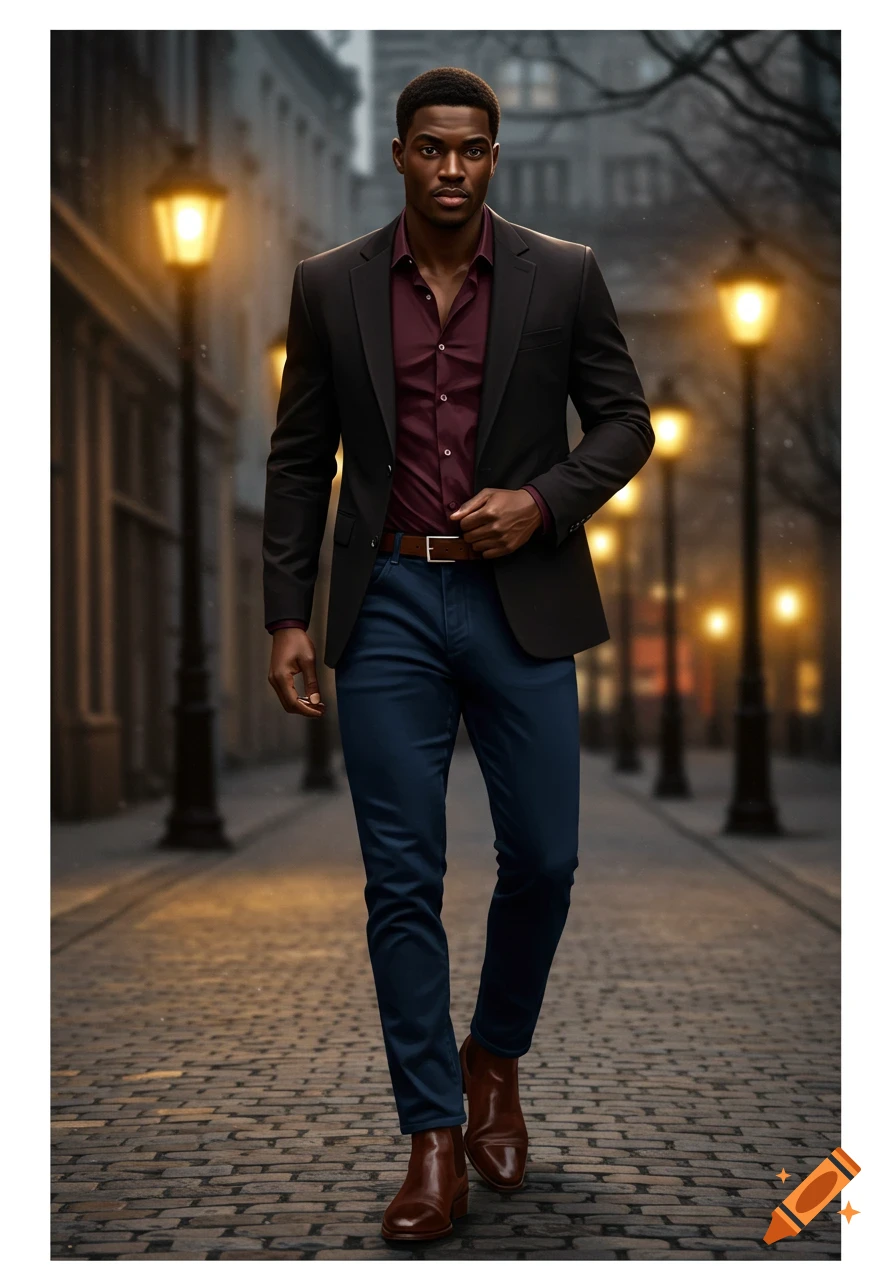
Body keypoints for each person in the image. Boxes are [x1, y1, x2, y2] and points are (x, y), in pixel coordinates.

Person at [263, 66, 654, 1242]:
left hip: (515, 598)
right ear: (398, 153)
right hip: (385, 599)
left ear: (494, 157)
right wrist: (289, 611)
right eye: (430, 148)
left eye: (471, 151)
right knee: (401, 876)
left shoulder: (563, 274)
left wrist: (540, 502)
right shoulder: (330, 286)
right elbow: (298, 456)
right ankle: (432, 1134)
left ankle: (495, 1054)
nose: (450, 168)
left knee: (544, 855)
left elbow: (626, 421)